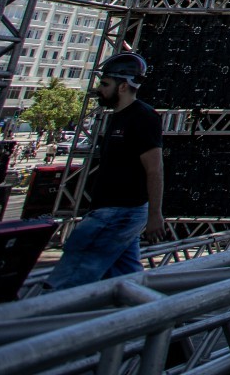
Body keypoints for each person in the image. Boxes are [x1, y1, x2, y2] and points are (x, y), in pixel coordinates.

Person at [47, 53, 164, 290]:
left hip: (119, 213)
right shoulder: (117, 118)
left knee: (67, 283)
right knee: (125, 283)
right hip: (115, 212)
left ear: (123, 86)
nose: (99, 89)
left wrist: (155, 214)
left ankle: (39, 321)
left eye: (105, 84)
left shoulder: (143, 117)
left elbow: (155, 169)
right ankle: (149, 321)